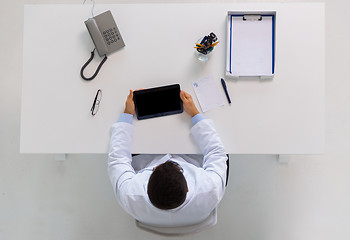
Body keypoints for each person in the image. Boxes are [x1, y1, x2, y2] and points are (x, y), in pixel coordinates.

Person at [107, 89, 228, 227]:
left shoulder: (130, 194)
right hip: (191, 158)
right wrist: (195, 113)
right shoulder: (210, 189)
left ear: (146, 188)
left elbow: (117, 158)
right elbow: (216, 152)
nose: (167, 158)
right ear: (188, 188)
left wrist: (127, 114)